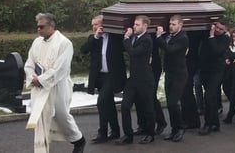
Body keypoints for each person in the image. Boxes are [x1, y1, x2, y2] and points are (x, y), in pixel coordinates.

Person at [25, 13, 86, 153]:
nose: (38, 29)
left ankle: (78, 140)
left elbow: (60, 69)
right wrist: (32, 77)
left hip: (58, 86)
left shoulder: (64, 43)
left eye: (41, 26)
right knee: (41, 117)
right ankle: (41, 149)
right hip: (40, 88)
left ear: (52, 26)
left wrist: (41, 80)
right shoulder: (36, 42)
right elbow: (29, 64)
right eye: (37, 27)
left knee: (61, 114)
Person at [80, 14, 125, 144]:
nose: (94, 27)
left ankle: (102, 132)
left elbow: (125, 47)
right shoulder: (94, 38)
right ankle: (115, 131)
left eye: (96, 24)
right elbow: (84, 50)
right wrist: (96, 36)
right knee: (108, 104)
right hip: (100, 76)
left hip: (112, 75)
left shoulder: (115, 37)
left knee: (102, 101)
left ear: (104, 25)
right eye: (92, 25)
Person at [118, 15, 156, 144]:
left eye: (137, 24)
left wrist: (126, 38)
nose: (134, 26)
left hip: (145, 79)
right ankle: (128, 135)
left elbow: (133, 52)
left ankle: (150, 134)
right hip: (133, 79)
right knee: (125, 106)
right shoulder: (134, 38)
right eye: (134, 24)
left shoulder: (147, 40)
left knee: (148, 108)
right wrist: (128, 39)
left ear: (145, 26)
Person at [155, 14, 190, 142]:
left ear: (180, 25)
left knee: (173, 103)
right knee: (170, 104)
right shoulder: (169, 36)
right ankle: (174, 129)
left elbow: (170, 50)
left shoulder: (183, 38)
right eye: (170, 24)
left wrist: (159, 37)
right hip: (169, 73)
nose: (171, 26)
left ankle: (180, 127)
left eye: (174, 24)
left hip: (179, 74)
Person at [198, 21, 230, 135]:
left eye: (220, 29)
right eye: (216, 27)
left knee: (208, 96)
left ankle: (208, 124)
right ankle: (215, 123)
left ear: (225, 30)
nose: (217, 30)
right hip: (206, 70)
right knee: (211, 98)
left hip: (217, 71)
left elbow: (217, 51)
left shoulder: (225, 39)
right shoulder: (206, 35)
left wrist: (211, 36)